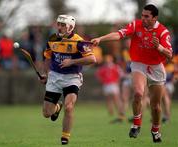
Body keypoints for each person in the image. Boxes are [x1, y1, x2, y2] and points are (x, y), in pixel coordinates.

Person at [91, 4, 173, 143]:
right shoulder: (136, 25)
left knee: (155, 106)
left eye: (147, 16)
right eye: (142, 15)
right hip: (138, 64)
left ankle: (156, 130)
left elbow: (169, 54)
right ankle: (136, 124)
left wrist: (158, 46)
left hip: (156, 67)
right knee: (138, 93)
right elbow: (119, 34)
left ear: (155, 18)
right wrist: (101, 39)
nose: (143, 18)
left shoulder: (162, 32)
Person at [39, 14, 96, 145]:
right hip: (54, 76)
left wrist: (72, 61)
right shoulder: (52, 39)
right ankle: (57, 107)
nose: (59, 27)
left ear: (70, 27)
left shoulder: (78, 42)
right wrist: (45, 74)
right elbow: (48, 57)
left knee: (69, 107)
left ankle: (65, 138)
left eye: (63, 25)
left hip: (72, 78)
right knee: (47, 113)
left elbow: (92, 59)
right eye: (58, 24)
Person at [95, 55, 125, 123]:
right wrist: (102, 80)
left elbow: (120, 75)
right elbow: (98, 75)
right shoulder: (103, 68)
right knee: (108, 99)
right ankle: (111, 111)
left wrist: (117, 81)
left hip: (113, 84)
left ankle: (120, 112)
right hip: (106, 84)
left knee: (116, 98)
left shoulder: (115, 67)